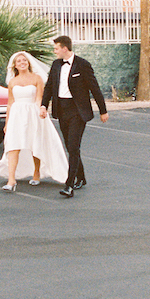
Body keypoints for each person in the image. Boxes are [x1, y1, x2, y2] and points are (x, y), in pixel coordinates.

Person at [40, 36, 109, 198]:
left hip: (78, 111)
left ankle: (69, 185)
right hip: (61, 110)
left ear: (65, 48)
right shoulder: (56, 65)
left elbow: (94, 88)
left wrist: (103, 110)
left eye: (56, 48)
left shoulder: (83, 65)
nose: (54, 51)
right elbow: (49, 86)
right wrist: (44, 105)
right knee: (71, 148)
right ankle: (82, 178)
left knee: (73, 146)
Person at [0, 51, 69, 192]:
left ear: (28, 63)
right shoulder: (12, 82)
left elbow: (40, 98)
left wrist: (42, 110)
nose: (22, 63)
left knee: (34, 144)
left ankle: (36, 172)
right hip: (17, 115)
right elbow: (10, 103)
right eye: (19, 61)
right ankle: (11, 180)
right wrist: (7, 122)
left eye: (24, 60)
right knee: (13, 146)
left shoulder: (37, 79)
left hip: (32, 113)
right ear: (15, 66)